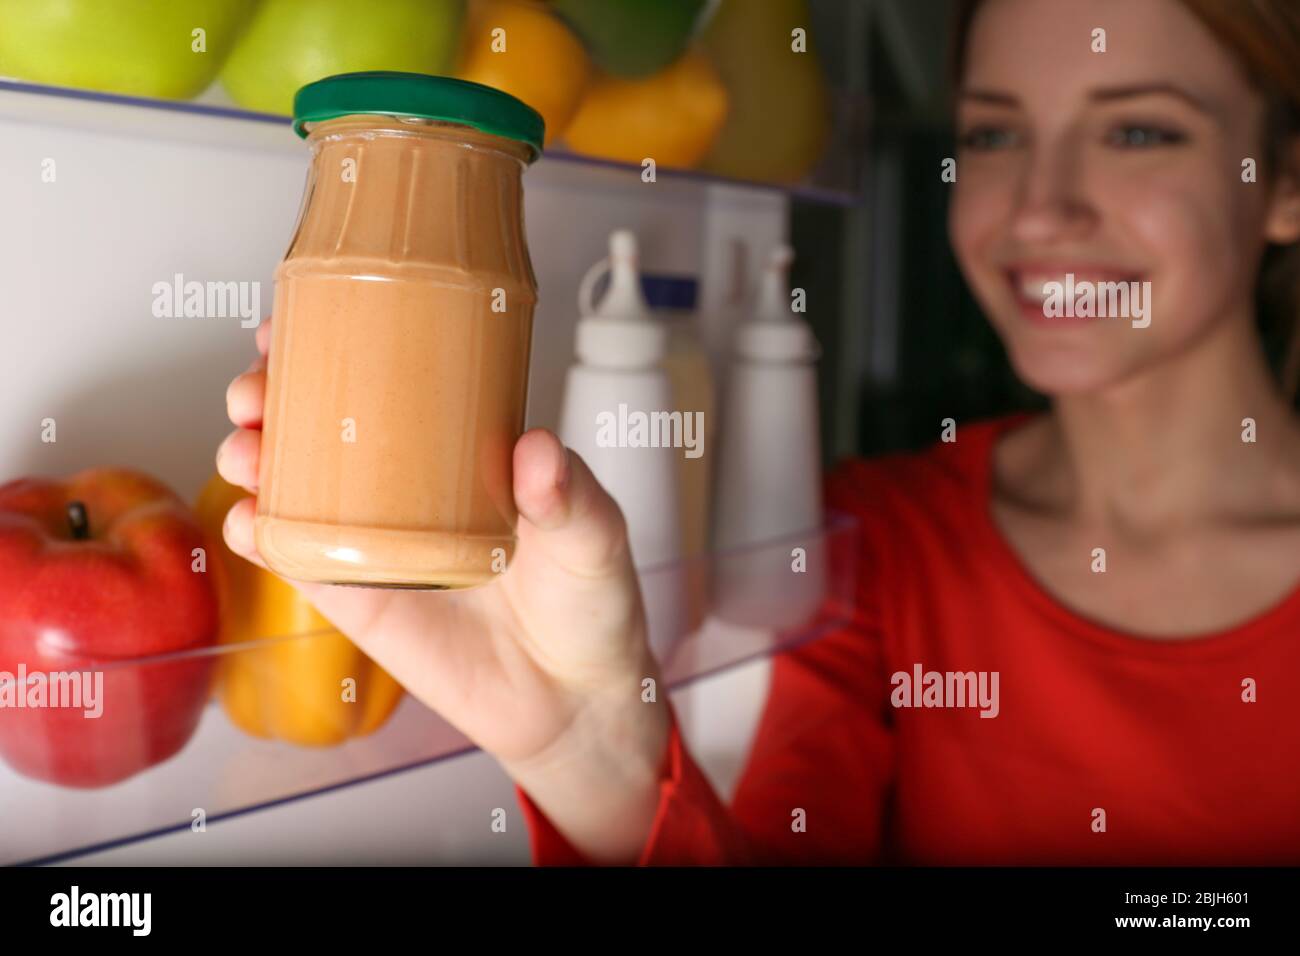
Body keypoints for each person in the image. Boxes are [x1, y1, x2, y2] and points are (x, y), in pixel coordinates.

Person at [217, 0, 1300, 864]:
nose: (1041, 207)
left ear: (1284, 179)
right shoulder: (878, 540)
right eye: (994, 131)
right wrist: (588, 752)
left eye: (1138, 129)